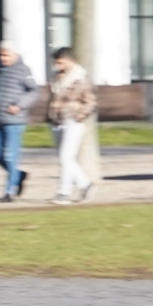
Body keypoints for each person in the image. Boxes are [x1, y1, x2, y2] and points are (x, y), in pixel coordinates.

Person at [0, 44, 39, 200]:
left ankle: (10, 191)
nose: (3, 58)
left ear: (15, 55)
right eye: (1, 55)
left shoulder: (23, 70)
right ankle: (18, 174)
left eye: (6, 55)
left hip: (15, 121)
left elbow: (35, 91)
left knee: (11, 156)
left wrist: (19, 105)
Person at [47, 46, 97, 204]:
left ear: (69, 61)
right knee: (65, 158)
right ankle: (85, 185)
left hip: (73, 122)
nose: (57, 65)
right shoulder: (56, 78)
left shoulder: (80, 79)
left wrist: (79, 115)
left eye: (60, 62)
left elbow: (91, 102)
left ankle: (64, 192)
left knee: (66, 157)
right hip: (57, 121)